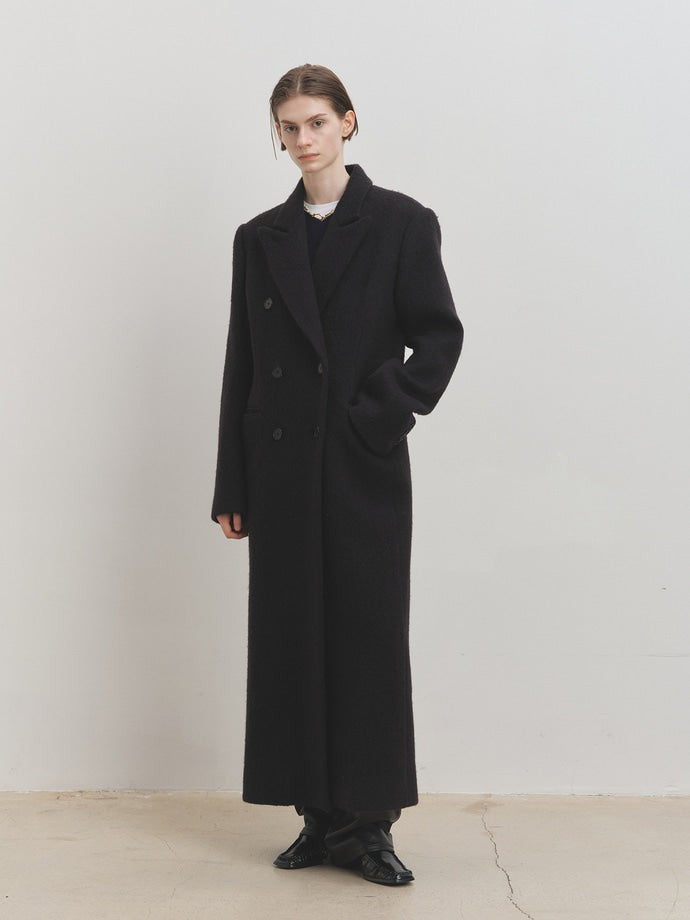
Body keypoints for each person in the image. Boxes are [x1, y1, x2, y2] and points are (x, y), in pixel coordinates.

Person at [211, 63, 464, 886]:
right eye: (288, 127)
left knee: (365, 639)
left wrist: (376, 418)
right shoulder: (260, 237)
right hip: (281, 469)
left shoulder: (400, 223)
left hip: (361, 466)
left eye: (316, 122)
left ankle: (369, 825)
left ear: (348, 122)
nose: (302, 140)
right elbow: (244, 364)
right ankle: (317, 820)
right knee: (292, 639)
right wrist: (233, 485)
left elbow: (439, 336)